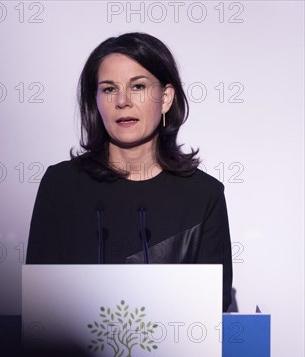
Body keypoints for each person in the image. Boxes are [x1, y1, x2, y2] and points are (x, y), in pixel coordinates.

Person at [26, 32, 233, 312]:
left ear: (166, 98)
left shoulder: (204, 195)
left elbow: (211, 313)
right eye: (109, 89)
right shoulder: (61, 186)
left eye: (138, 87)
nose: (122, 101)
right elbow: (41, 308)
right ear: (95, 101)